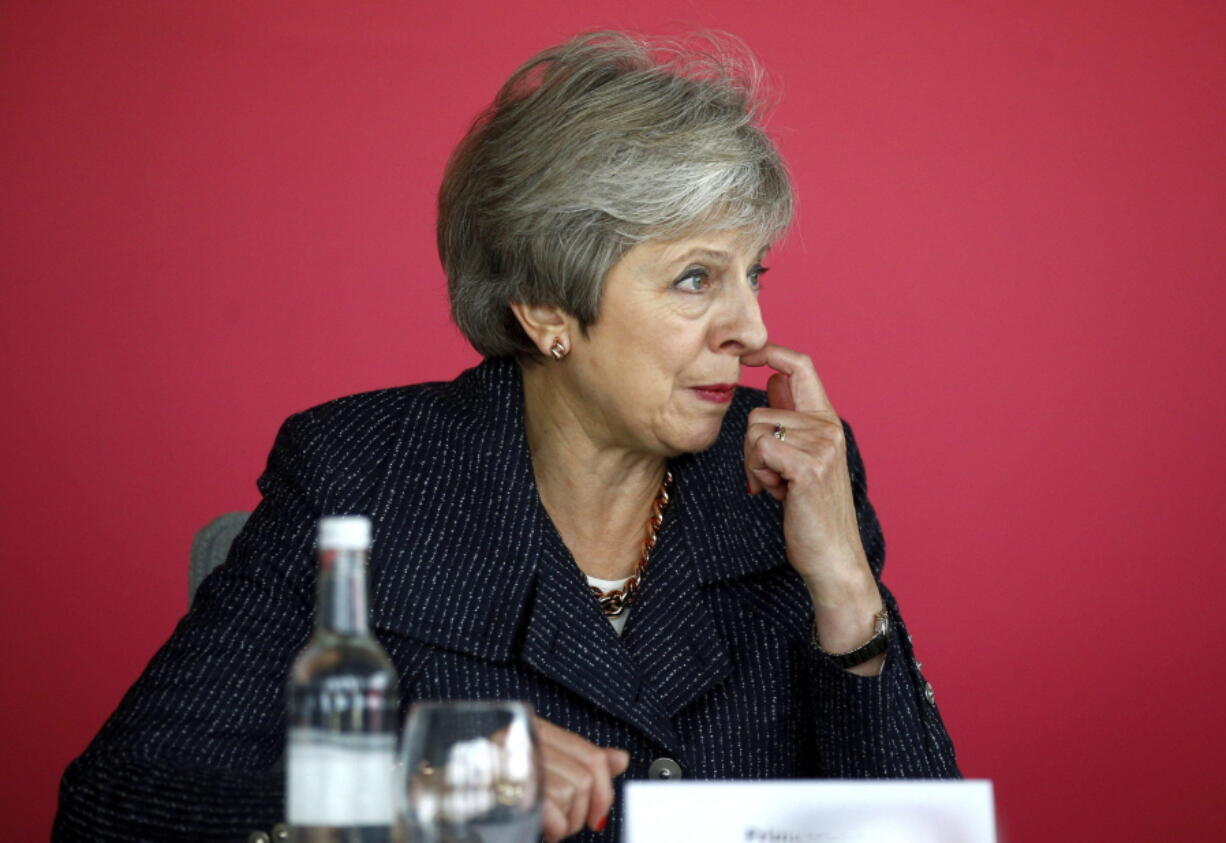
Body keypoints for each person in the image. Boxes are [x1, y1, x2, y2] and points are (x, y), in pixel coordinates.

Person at [54, 30, 959, 843]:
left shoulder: (787, 485)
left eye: (751, 275)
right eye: (695, 278)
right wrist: (424, 790)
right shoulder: (364, 474)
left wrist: (845, 585)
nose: (751, 329)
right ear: (546, 309)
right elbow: (117, 806)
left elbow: (920, 830)